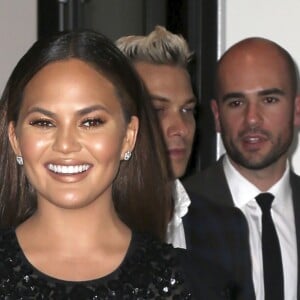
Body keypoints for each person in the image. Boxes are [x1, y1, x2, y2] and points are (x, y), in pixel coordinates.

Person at [0, 29, 237, 299]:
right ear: (15, 138)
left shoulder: (197, 284)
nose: (65, 144)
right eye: (44, 123)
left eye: (91, 122)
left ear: (128, 136)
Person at [116, 26, 255, 300]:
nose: (179, 127)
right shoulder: (88, 225)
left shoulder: (227, 227)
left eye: (186, 110)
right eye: (158, 110)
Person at [183, 37, 300, 299]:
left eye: (269, 100)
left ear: (296, 109)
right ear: (216, 116)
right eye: (236, 103)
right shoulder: (176, 213)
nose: (252, 118)